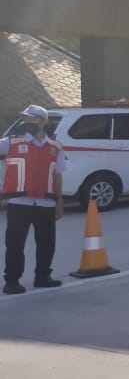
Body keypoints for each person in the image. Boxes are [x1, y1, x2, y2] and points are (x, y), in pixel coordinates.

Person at [1, 105, 66, 294]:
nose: (27, 123)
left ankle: (43, 277)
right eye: (25, 119)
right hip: (19, 202)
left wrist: (60, 201)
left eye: (32, 119)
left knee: (46, 243)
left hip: (46, 202)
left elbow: (58, 175)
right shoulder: (10, 143)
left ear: (44, 122)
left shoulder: (56, 147)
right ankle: (12, 281)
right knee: (15, 244)